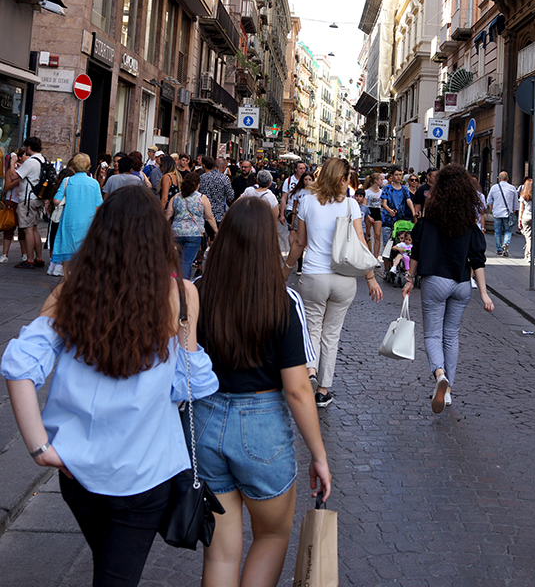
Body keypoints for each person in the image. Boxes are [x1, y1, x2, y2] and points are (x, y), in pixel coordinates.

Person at [0, 187, 218, 587]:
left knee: (110, 566)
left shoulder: (72, 292)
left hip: (76, 471)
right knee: (116, 574)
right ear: (158, 235)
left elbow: (19, 365)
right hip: (144, 471)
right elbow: (189, 384)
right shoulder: (181, 297)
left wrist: (39, 447)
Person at [191, 198, 331, 587]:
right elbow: (299, 389)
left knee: (219, 554)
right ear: (270, 244)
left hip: (205, 420)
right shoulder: (284, 302)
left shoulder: (199, 292)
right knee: (270, 535)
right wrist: (318, 455)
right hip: (262, 427)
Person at [287, 158, 383, 408]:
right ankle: (323, 391)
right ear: (342, 179)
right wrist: (370, 278)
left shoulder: (307, 201)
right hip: (344, 279)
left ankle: (310, 370)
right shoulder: (351, 205)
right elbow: (361, 242)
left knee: (312, 329)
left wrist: (285, 267)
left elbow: (299, 242)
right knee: (332, 334)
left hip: (314, 276)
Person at [402, 164, 494, 412]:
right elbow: (478, 260)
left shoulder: (427, 220)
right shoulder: (470, 224)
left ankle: (439, 375)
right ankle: (449, 390)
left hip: (435, 281)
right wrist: (484, 294)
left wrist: (410, 280)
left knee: (432, 335)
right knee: (451, 335)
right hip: (462, 284)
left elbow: (417, 252)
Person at [48, 153, 103, 277]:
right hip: (87, 221)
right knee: (83, 244)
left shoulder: (67, 181)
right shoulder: (94, 183)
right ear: (88, 166)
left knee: (67, 242)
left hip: (69, 219)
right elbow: (98, 205)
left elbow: (56, 201)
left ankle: (64, 270)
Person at [4, 136, 47, 269]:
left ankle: (29, 260)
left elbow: (13, 176)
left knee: (28, 229)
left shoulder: (30, 162)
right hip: (38, 198)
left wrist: (12, 162)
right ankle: (39, 258)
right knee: (34, 229)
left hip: (28, 199)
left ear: (29, 147)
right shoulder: (42, 160)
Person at [166, 171, 217, 279]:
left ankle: (185, 283)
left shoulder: (176, 197)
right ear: (198, 184)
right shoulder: (202, 198)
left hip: (176, 232)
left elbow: (169, 214)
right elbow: (209, 217)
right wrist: (217, 231)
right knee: (186, 261)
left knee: (182, 260)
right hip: (194, 233)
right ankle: (183, 286)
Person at [1, 147, 26, 264]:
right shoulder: (13, 170)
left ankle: (24, 254)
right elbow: (6, 186)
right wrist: (19, 180)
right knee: (9, 227)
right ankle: (5, 254)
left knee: (23, 229)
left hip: (24, 200)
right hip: (12, 200)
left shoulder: (28, 169)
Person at [380, 166, 416, 247]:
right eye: (396, 175)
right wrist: (390, 211)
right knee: (387, 246)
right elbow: (384, 203)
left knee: (401, 244)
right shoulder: (387, 188)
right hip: (388, 220)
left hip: (400, 221)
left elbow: (409, 201)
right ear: (392, 176)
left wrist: (413, 213)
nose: (398, 177)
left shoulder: (404, 189)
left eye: (400, 175)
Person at [486, 171, 518, 257]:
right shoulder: (512, 188)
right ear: (507, 178)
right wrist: (513, 211)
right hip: (508, 213)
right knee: (508, 230)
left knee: (497, 232)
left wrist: (493, 210)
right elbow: (516, 203)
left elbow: (489, 201)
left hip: (497, 213)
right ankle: (506, 244)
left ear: (499, 179)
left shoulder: (494, 188)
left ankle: (499, 250)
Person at [198, 155, 234, 227]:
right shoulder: (224, 179)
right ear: (224, 168)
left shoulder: (202, 177)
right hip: (217, 215)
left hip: (203, 214)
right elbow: (231, 196)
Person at [518, 179, 535, 261]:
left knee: (528, 237)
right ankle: (527, 254)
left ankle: (529, 255)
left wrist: (519, 220)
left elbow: (521, 209)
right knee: (531, 236)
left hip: (526, 217)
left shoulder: (523, 196)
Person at [279, 161, 306, 225]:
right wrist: (282, 214)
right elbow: (284, 197)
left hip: (303, 210)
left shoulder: (306, 181)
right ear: (295, 169)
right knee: (292, 232)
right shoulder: (288, 181)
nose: (303, 170)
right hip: (291, 210)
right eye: (300, 168)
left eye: (304, 168)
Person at [364, 172, 384, 258]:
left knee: (377, 235)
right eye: (380, 180)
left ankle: (376, 257)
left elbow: (383, 203)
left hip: (377, 212)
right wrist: (368, 216)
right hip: (369, 211)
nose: (382, 181)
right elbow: (365, 205)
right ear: (376, 181)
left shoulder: (381, 192)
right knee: (368, 235)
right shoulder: (367, 192)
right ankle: (367, 254)